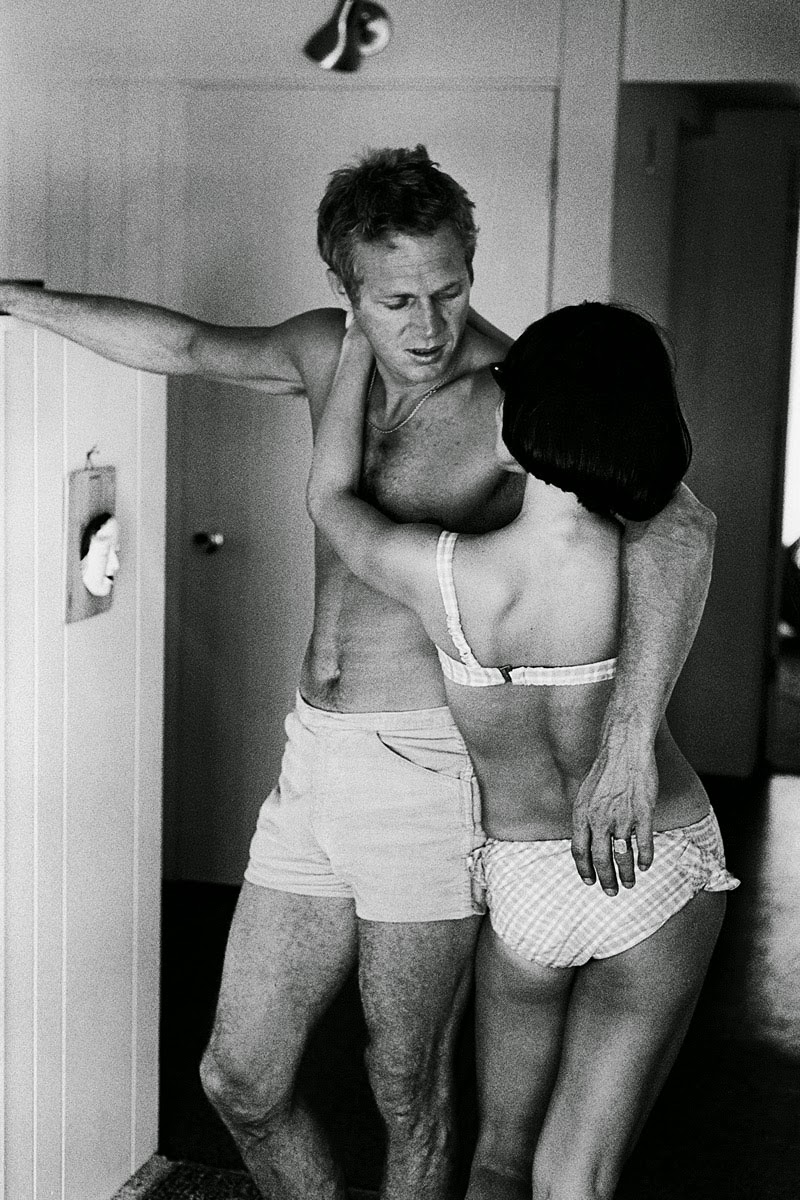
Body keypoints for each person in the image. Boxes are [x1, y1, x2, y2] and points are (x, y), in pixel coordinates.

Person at [0, 147, 716, 1200]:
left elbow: (677, 528)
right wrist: (16, 301)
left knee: (404, 1088)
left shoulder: (516, 394)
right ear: (344, 286)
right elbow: (185, 344)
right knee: (239, 1079)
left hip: (431, 765)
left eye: (449, 291)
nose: (428, 327)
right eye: (395, 301)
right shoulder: (318, 351)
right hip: (314, 756)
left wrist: (627, 740)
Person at [306, 303, 739, 1200]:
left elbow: (330, 501)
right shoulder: (643, 557)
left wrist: (353, 347)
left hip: (526, 885)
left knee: (499, 1162)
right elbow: (685, 518)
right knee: (576, 1175)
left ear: (512, 413)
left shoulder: (441, 573)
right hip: (655, 857)